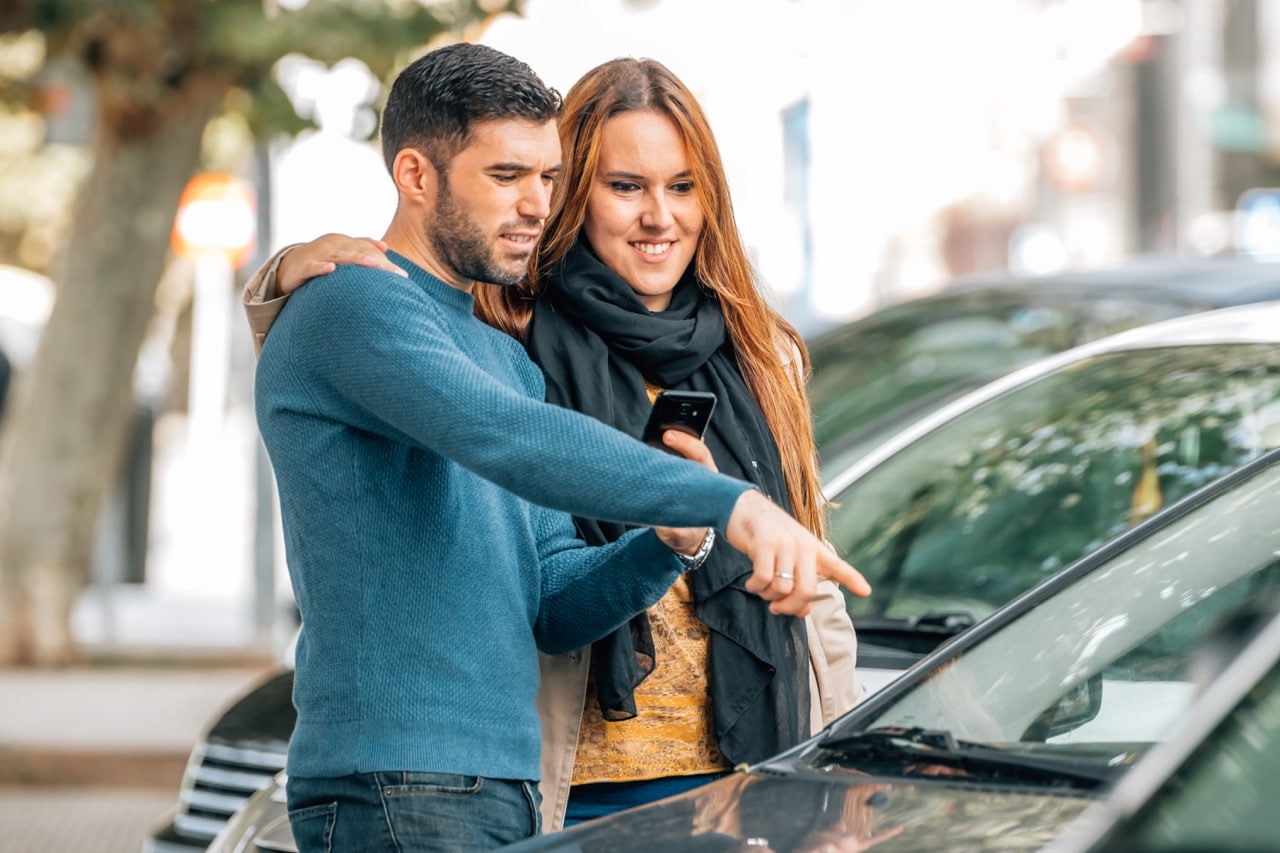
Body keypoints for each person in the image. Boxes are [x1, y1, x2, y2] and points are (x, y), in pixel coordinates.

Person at [248, 43, 869, 853]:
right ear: (415, 176)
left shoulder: (499, 354)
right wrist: (730, 503)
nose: (537, 204)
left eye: (548, 177)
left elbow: (550, 602)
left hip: (497, 787)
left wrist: (671, 540)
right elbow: (506, 436)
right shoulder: (356, 301)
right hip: (399, 779)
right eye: (508, 176)